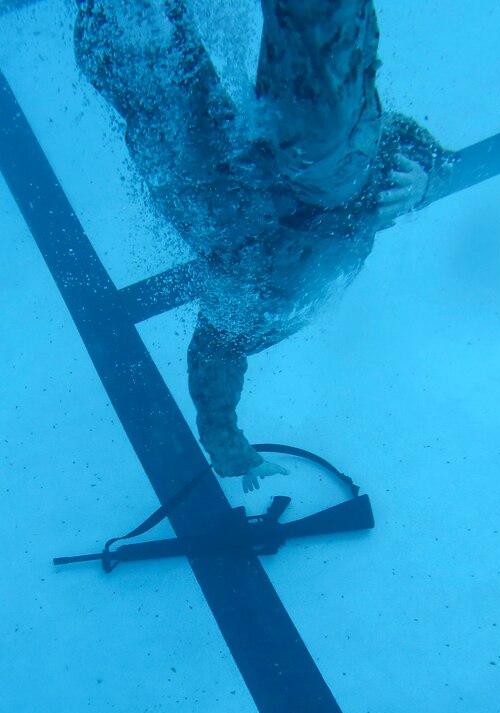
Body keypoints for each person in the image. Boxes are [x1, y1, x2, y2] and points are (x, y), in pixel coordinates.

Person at [74, 0, 456, 491]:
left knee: (158, 82)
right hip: (307, 190)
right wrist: (429, 178)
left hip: (221, 197)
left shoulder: (238, 311)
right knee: (320, 122)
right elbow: (401, 139)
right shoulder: (341, 220)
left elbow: (212, 371)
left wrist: (231, 451)